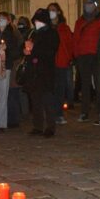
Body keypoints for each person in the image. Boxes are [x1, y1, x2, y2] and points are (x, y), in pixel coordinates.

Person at [23, 8, 60, 137]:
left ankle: (50, 127)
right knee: (36, 100)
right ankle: (37, 126)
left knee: (48, 100)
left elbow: (50, 51)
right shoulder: (33, 33)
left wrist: (35, 49)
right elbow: (26, 48)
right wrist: (26, 51)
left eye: (39, 21)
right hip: (33, 71)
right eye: (36, 20)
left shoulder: (52, 33)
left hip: (46, 71)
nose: (37, 23)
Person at [73, 0, 100, 122]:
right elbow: (75, 39)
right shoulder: (79, 22)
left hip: (96, 56)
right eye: (86, 4)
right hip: (83, 56)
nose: (88, 6)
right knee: (85, 85)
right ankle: (84, 111)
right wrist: (76, 55)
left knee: (99, 84)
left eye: (91, 4)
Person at [47, 3, 73, 125]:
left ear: (58, 12)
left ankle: (59, 114)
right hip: (49, 63)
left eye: (53, 10)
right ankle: (50, 114)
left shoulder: (64, 28)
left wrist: (69, 57)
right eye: (49, 10)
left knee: (60, 90)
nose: (51, 12)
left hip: (62, 62)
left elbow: (69, 44)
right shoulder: (46, 28)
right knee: (50, 90)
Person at [8, 16, 30, 128]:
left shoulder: (15, 33)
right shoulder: (11, 32)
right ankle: (15, 116)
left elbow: (19, 49)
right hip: (10, 64)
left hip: (14, 64)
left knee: (15, 91)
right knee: (14, 92)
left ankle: (16, 117)